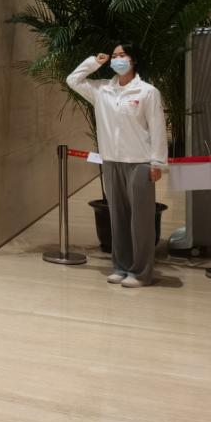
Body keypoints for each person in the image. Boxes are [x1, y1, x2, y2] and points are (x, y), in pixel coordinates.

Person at [66, 43, 167, 287]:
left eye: (122, 55)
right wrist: (94, 62)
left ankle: (141, 272)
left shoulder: (147, 92)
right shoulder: (102, 90)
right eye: (114, 56)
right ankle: (121, 267)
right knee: (118, 218)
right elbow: (73, 80)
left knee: (141, 220)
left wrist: (157, 163)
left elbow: (157, 128)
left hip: (140, 162)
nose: (117, 59)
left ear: (133, 60)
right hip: (111, 161)